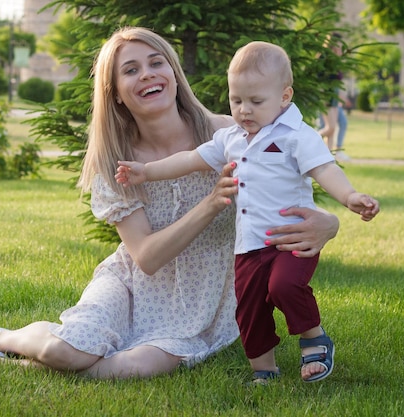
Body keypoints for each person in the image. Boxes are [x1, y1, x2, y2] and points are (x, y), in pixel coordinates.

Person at [0, 27, 340, 381]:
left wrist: (330, 222)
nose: (148, 75)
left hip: (204, 298)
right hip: (130, 282)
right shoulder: (114, 164)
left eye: (157, 63)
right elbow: (147, 258)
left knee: (127, 369)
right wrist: (210, 205)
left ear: (173, 74)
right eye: (130, 70)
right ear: (115, 92)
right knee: (67, 350)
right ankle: (1, 339)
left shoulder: (233, 133)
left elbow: (301, 186)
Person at [115, 41, 380, 383]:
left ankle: (314, 338)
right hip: (249, 245)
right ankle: (264, 369)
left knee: (284, 286)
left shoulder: (297, 136)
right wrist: (146, 171)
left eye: (256, 101)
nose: (244, 110)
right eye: (236, 101)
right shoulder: (232, 139)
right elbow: (191, 159)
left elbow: (325, 170)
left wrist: (350, 196)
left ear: (285, 97)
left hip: (292, 237)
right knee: (250, 309)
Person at [317, 33, 344, 155]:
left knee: (333, 129)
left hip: (334, 94)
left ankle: (329, 156)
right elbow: (320, 77)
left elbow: (339, 77)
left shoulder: (336, 58)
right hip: (326, 94)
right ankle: (313, 139)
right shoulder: (324, 58)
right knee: (330, 127)